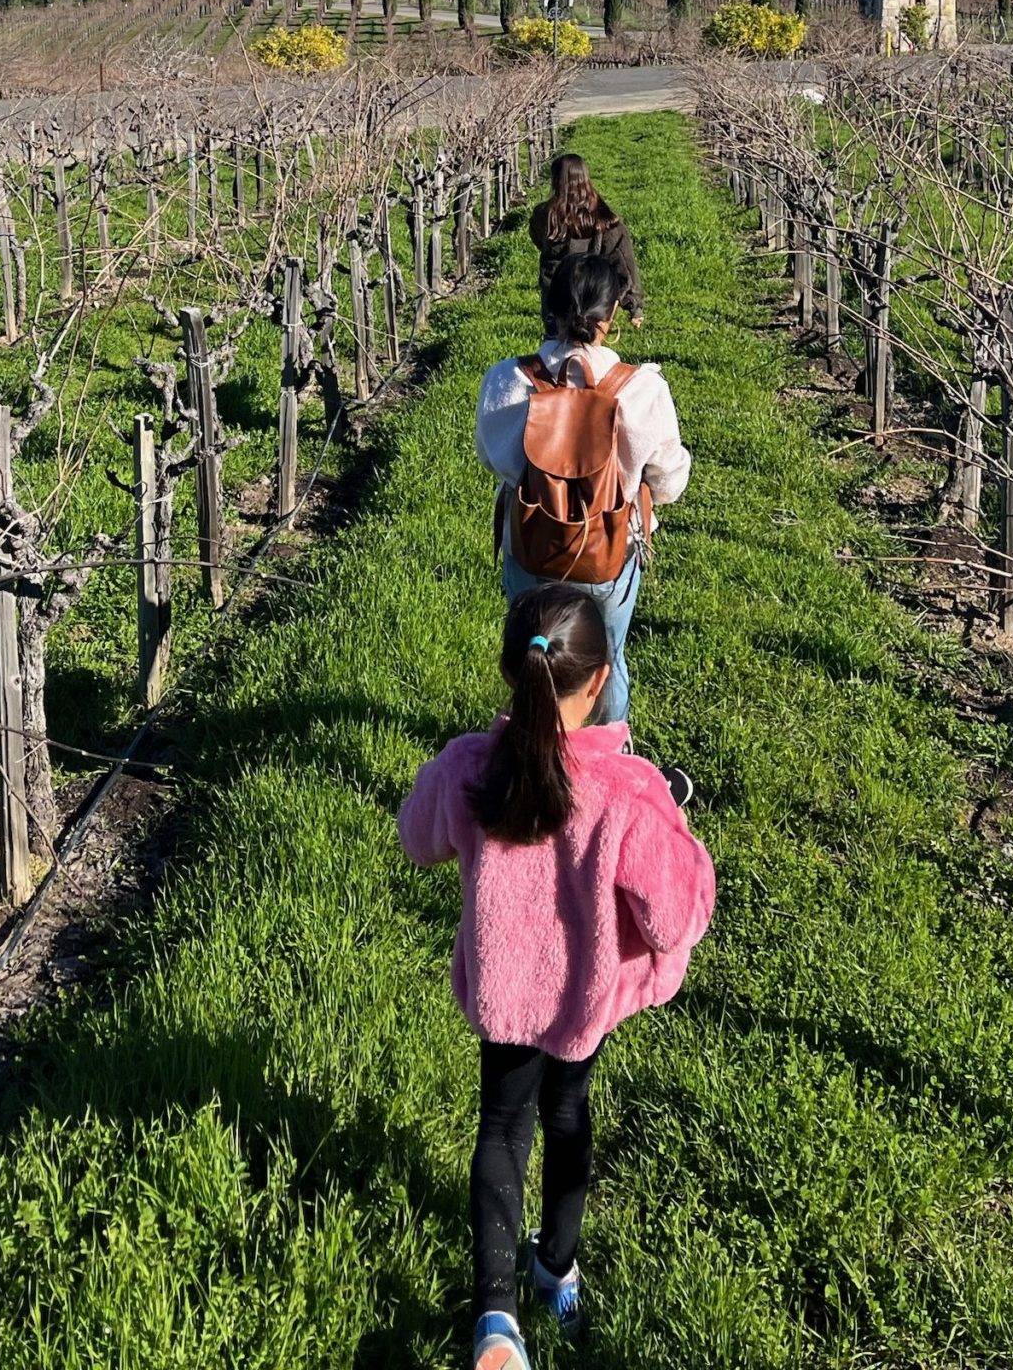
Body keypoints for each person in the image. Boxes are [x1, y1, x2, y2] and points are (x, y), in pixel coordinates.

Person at [398, 584, 716, 1370]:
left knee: (501, 1128)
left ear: (512, 672)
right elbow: (677, 913)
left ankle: (496, 1319)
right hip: (582, 1000)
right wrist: (677, 817)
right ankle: (556, 1269)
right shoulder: (629, 791)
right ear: (602, 681)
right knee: (568, 1113)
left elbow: (416, 838)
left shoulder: (471, 767)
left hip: (504, 995)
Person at [474, 251, 690, 728]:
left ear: (549, 307)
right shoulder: (641, 389)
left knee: (539, 650)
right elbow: (670, 480)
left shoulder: (507, 380)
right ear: (610, 316)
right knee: (606, 656)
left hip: (530, 545)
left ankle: (530, 740)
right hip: (609, 552)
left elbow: (493, 458)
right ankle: (609, 751)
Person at [530, 152, 644, 332]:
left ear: (556, 181)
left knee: (555, 350)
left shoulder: (543, 215)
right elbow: (623, 262)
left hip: (556, 299)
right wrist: (634, 306)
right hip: (595, 296)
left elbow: (538, 241)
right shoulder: (606, 220)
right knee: (591, 347)